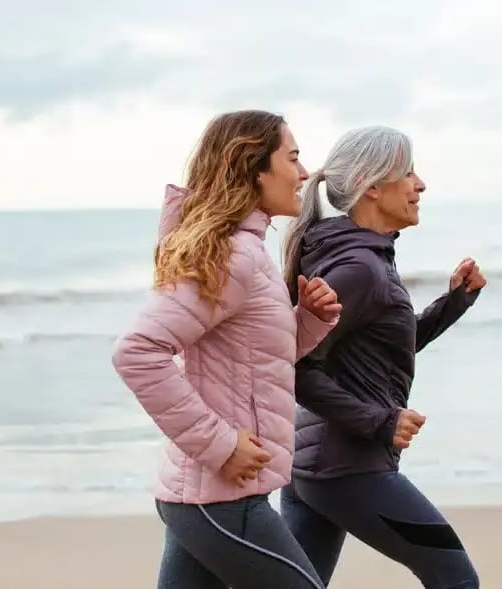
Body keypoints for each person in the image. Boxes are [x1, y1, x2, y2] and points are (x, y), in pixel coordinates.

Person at [111, 110, 342, 589]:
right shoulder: (235, 255)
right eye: (293, 158)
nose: (304, 173)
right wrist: (217, 444)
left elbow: (253, 361)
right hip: (218, 497)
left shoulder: (247, 251)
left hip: (211, 495)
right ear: (255, 169)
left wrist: (309, 321)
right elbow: (138, 353)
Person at [279, 126, 488, 589]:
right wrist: (380, 421)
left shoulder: (364, 258)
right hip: (345, 466)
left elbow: (375, 352)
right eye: (408, 172)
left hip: (317, 465)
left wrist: (451, 304)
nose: (421, 184)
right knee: (456, 579)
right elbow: (291, 368)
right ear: (372, 186)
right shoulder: (359, 268)